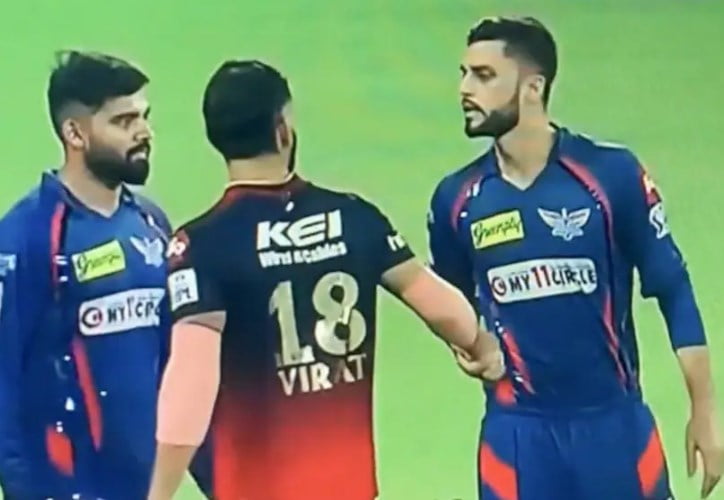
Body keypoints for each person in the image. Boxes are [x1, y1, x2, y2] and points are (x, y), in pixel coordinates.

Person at [147, 59, 504, 500]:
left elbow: (191, 382)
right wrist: (480, 345)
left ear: (215, 137)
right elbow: (434, 300)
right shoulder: (354, 217)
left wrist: (158, 493)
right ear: (282, 131)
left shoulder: (202, 245)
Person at [428, 16, 723, 500]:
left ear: (533, 87)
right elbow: (445, 300)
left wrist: (705, 413)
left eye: (483, 76)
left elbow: (673, 288)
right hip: (517, 437)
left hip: (614, 429)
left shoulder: (609, 175)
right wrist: (469, 342)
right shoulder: (456, 199)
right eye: (464, 73)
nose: (465, 88)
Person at [0, 50, 171, 499]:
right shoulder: (28, 236)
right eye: (124, 121)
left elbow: (177, 364)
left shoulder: (152, 225)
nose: (144, 133)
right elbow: (4, 378)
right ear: (74, 133)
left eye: (144, 117)